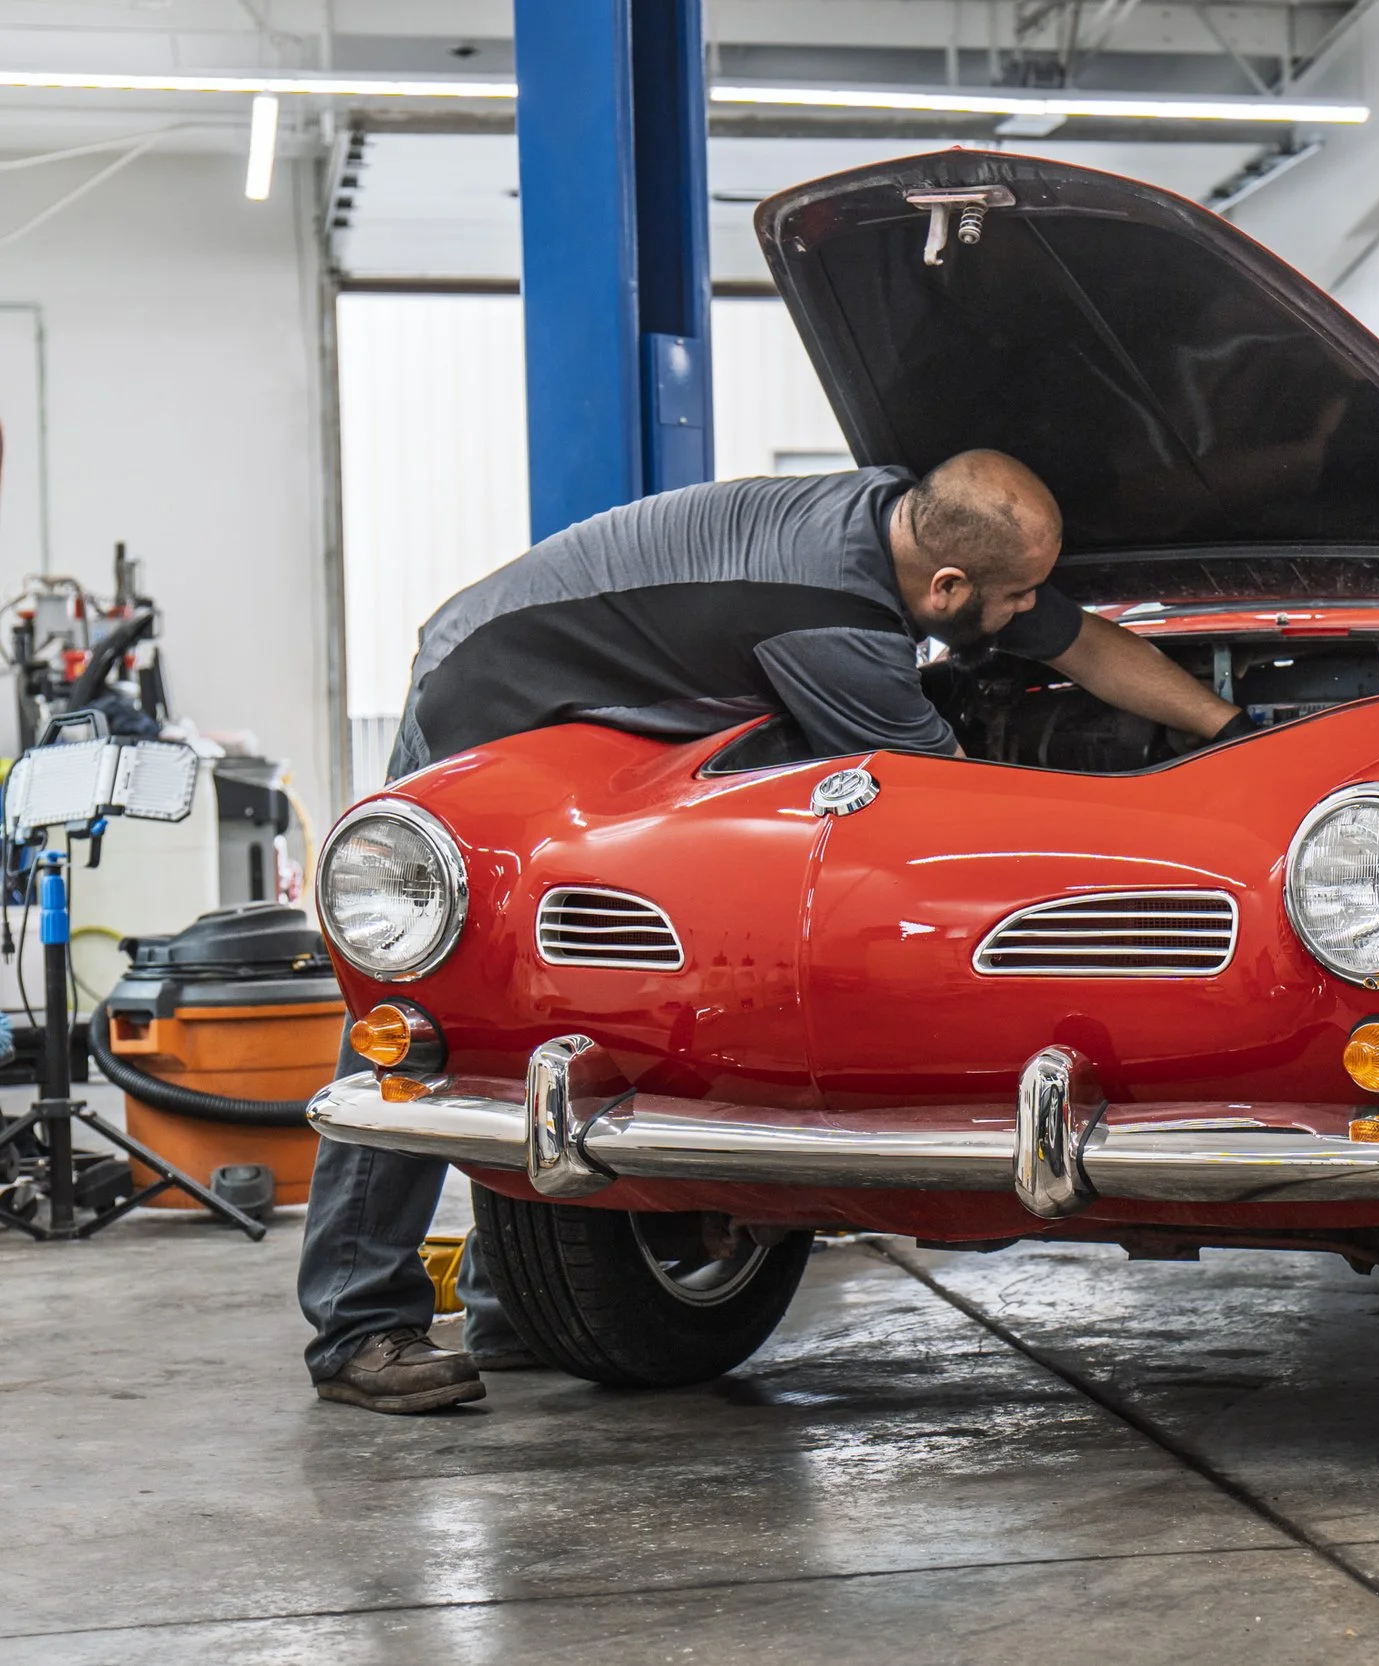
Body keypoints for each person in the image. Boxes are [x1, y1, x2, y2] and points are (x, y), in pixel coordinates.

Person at [300, 450, 1247, 1413]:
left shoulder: (907, 525)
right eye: (1010, 601)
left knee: (544, 994)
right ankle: (358, 1324)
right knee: (428, 999)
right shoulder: (830, 616)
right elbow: (952, 802)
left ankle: (519, 1313)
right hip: (494, 687)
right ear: (949, 584)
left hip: (598, 682)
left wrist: (1227, 727)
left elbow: (1074, 641)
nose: (1018, 618)